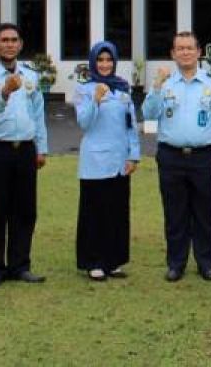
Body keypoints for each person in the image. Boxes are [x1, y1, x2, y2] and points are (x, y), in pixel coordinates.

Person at [142, 31, 211, 282]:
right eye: (179, 48)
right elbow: (149, 113)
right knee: (175, 213)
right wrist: (157, 86)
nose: (185, 52)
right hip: (171, 156)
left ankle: (206, 263)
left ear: (199, 52)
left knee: (206, 213)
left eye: (189, 48)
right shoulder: (165, 83)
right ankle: (176, 263)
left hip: (205, 156)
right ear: (172, 54)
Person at [0, 22, 49, 289]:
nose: (9, 44)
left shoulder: (31, 74)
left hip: (25, 149)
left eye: (14, 40)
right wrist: (4, 92)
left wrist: (42, 148)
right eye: (3, 40)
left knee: (25, 211)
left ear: (20, 44)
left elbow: (38, 113)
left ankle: (20, 265)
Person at [72, 41, 140, 281]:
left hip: (119, 160)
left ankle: (113, 260)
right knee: (95, 212)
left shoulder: (122, 88)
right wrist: (96, 100)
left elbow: (130, 124)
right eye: (100, 60)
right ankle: (93, 261)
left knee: (117, 212)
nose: (104, 64)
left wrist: (134, 155)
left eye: (108, 60)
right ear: (93, 62)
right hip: (95, 162)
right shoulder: (84, 89)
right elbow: (84, 123)